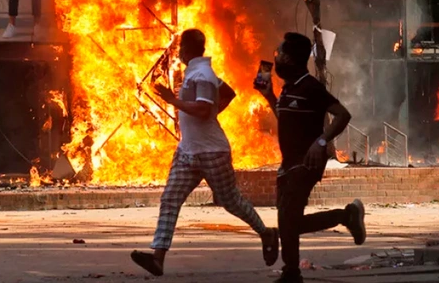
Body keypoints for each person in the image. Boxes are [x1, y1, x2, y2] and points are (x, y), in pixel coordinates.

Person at [131, 29, 279, 276]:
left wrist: (172, 100)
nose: (177, 52)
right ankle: (158, 257)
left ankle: (267, 233)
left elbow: (201, 110)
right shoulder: (197, 71)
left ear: (187, 50)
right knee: (170, 199)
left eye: (180, 48)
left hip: (212, 152)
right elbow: (228, 93)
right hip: (188, 151)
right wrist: (214, 113)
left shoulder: (202, 75)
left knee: (231, 202)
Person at [257, 32, 366, 283]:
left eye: (281, 54)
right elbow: (285, 117)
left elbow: (342, 115)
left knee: (288, 220)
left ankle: (291, 273)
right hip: (288, 163)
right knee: (288, 222)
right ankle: (346, 216)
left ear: (293, 59)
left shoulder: (311, 87)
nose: (277, 58)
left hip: (306, 164)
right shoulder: (288, 89)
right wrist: (269, 97)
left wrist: (321, 142)